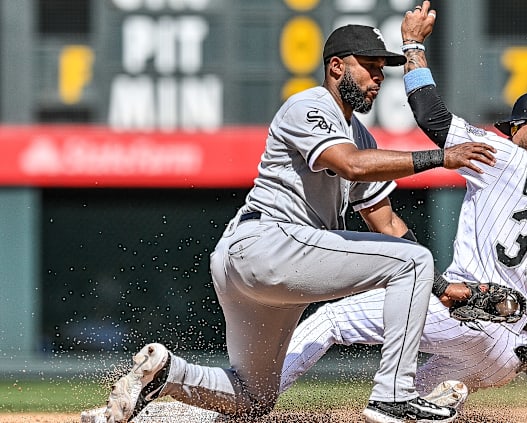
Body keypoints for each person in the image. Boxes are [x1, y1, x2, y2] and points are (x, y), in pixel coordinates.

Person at [100, 23, 497, 423]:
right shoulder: (308, 106)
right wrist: (440, 158)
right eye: (370, 65)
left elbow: (388, 223)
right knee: (413, 260)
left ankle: (165, 374)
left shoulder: (361, 136)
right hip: (266, 242)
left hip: (272, 267)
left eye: (383, 68)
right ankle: (393, 394)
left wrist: (442, 289)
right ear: (337, 66)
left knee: (252, 400)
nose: (378, 77)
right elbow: (350, 165)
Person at [278, 2, 527, 421]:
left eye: (516, 125)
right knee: (405, 409)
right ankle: (440, 402)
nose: (509, 132)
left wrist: (413, 45)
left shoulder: (507, 158)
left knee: (334, 319)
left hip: (467, 315)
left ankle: (249, 404)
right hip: (507, 355)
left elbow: (431, 115)